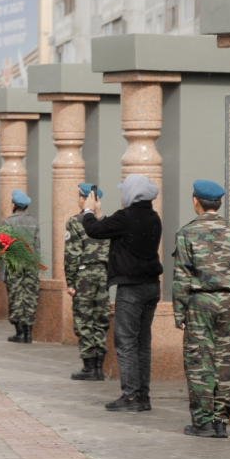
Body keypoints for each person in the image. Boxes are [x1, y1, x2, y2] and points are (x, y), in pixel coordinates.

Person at [81, 174, 163, 412]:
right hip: (151, 286)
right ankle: (142, 396)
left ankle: (130, 396)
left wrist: (88, 210)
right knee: (142, 343)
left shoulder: (126, 216)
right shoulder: (152, 217)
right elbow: (115, 230)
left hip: (132, 288)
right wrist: (99, 215)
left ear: (132, 193)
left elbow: (94, 231)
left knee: (125, 342)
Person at [173, 180, 230, 438]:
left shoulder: (187, 233)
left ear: (196, 201)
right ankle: (221, 422)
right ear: (220, 202)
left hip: (199, 303)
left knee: (199, 361)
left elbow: (182, 276)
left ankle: (203, 422)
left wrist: (179, 312)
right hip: (227, 302)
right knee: (225, 361)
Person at [66, 184, 110, 380]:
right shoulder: (109, 222)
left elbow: (72, 254)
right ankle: (100, 365)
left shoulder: (76, 221)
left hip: (83, 274)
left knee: (83, 319)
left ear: (84, 199)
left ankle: (89, 366)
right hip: (103, 274)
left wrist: (70, 282)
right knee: (100, 318)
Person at [4, 190, 41, 344]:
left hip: (15, 264)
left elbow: (4, 247)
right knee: (30, 296)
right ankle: (28, 333)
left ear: (13, 204)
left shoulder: (8, 222)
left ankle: (19, 332)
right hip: (31, 264)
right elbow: (37, 247)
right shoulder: (34, 222)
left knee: (16, 296)